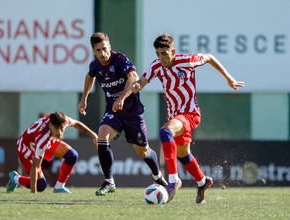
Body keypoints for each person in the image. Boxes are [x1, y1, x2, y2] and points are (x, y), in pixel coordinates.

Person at [131, 33, 245, 203]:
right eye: (158, 54)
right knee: (184, 154)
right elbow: (142, 80)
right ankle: (203, 181)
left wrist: (229, 78)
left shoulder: (187, 60)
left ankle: (173, 180)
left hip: (190, 113)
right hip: (175, 116)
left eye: (164, 53)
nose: (161, 58)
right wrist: (136, 85)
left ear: (173, 51)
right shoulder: (156, 66)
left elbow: (209, 57)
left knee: (165, 132)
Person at [78, 32, 167, 196]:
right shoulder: (95, 66)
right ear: (94, 51)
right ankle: (109, 181)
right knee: (102, 136)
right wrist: (84, 98)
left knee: (143, 151)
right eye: (98, 50)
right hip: (114, 112)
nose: (102, 53)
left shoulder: (120, 60)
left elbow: (133, 77)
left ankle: (158, 176)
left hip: (133, 113)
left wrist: (121, 98)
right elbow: (90, 77)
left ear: (109, 46)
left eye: (104, 49)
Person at [6, 111, 98, 193]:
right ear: (50, 125)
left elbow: (76, 124)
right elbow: (35, 166)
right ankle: (15, 178)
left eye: (62, 129)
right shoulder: (42, 139)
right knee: (41, 185)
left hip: (48, 139)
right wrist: (33, 193)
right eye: (57, 129)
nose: (60, 132)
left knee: (72, 155)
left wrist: (93, 135)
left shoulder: (63, 120)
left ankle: (59, 187)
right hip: (27, 149)